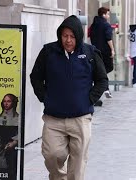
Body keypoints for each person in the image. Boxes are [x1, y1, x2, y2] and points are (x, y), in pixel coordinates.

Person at [30, 15, 108, 180]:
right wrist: (45, 97)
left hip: (80, 118)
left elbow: (102, 80)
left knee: (78, 162)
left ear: (78, 36)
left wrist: (89, 99)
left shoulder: (90, 53)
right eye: (65, 36)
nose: (68, 40)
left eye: (72, 36)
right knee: (52, 155)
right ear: (60, 35)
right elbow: (35, 76)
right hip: (54, 118)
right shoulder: (48, 52)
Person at [90, 7, 115, 100]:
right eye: (107, 14)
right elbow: (109, 38)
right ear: (103, 14)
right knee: (106, 68)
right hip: (105, 51)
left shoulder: (94, 24)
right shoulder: (106, 25)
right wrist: (112, 49)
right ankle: (104, 87)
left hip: (95, 50)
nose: (108, 16)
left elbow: (91, 36)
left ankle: (105, 88)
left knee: (101, 69)